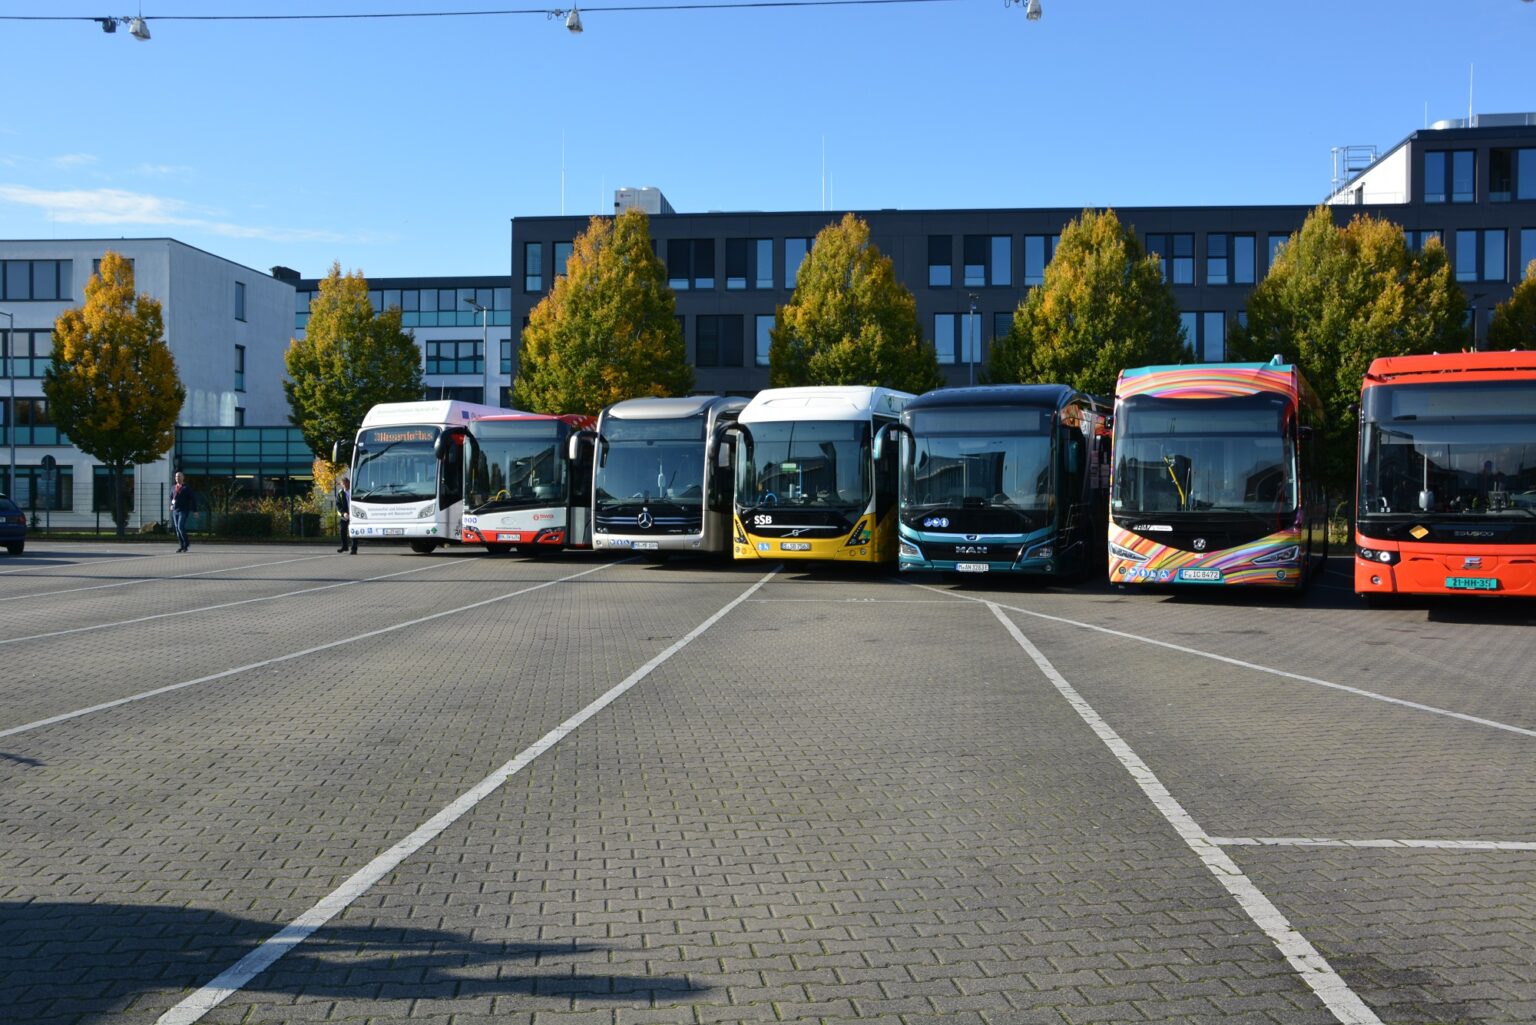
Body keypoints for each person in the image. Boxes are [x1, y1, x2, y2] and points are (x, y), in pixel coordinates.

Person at [170, 471, 196, 552]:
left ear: (183, 477)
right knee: (177, 529)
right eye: (176, 476)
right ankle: (182, 546)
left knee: (181, 527)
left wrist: (195, 510)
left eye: (179, 476)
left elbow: (192, 499)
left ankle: (186, 543)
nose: (177, 478)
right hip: (175, 510)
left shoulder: (186, 488)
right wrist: (171, 504)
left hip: (183, 510)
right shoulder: (173, 487)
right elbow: (171, 498)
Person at [336, 475, 358, 554]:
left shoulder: (353, 491)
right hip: (345, 514)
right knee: (342, 530)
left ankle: (354, 549)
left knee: (353, 531)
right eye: (343, 483)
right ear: (341, 484)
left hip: (354, 514)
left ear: (349, 483)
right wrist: (343, 513)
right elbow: (338, 505)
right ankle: (345, 546)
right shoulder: (340, 493)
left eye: (346, 483)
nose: (345, 485)